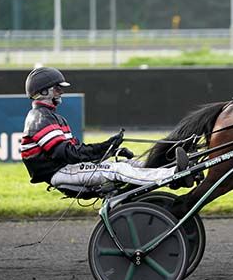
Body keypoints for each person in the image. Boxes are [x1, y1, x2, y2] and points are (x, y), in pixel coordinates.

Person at [20, 67, 187, 192]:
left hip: (65, 168)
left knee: (128, 163)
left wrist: (111, 149)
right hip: (58, 173)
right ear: (44, 91)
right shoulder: (40, 118)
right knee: (118, 169)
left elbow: (76, 151)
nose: (61, 91)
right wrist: (106, 147)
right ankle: (173, 175)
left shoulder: (52, 117)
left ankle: (170, 168)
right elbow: (69, 154)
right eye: (57, 88)